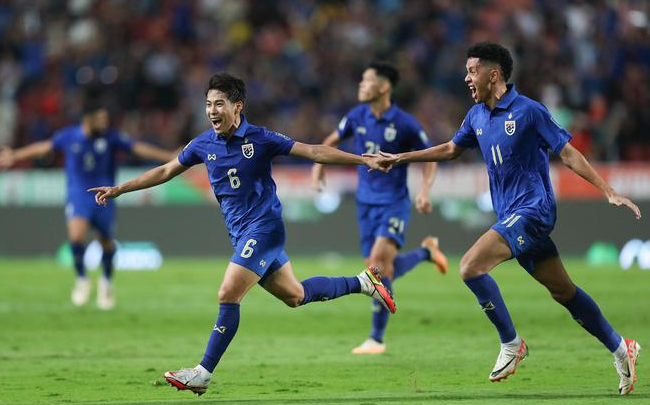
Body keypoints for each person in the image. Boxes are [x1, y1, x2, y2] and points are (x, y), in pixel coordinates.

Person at [88, 72, 396, 396]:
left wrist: (363, 160)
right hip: (241, 234)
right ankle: (363, 283)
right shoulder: (202, 144)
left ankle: (202, 373)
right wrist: (119, 189)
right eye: (208, 104)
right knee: (295, 296)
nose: (212, 111)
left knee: (228, 293)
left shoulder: (260, 138)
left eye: (219, 103)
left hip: (264, 229)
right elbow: (166, 170)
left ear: (238, 106)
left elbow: (313, 151)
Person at [368, 42, 642, 395]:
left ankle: (511, 343)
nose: (467, 78)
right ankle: (621, 348)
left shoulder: (529, 111)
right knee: (564, 291)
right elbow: (451, 149)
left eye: (472, 71)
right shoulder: (476, 116)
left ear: (493, 74)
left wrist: (608, 190)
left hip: (533, 211)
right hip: (512, 215)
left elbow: (568, 153)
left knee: (470, 267)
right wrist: (400, 158)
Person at [312, 61, 448, 355]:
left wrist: (424, 190)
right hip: (365, 204)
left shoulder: (405, 123)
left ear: (384, 87)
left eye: (367, 80)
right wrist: (318, 167)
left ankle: (376, 338)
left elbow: (431, 157)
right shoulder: (356, 116)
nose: (361, 85)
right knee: (381, 270)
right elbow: (331, 141)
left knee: (376, 266)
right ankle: (426, 252)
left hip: (393, 203)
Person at [0, 101, 175, 310]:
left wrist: (168, 157)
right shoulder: (69, 136)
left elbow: (139, 148)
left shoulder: (111, 137)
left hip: (104, 195)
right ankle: (82, 278)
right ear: (88, 119)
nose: (104, 122)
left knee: (106, 243)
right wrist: (15, 155)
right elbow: (43, 147)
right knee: (76, 236)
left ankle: (106, 281)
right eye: (100, 119)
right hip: (78, 196)